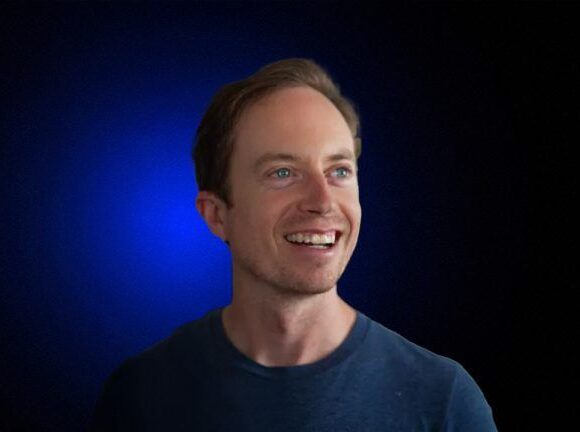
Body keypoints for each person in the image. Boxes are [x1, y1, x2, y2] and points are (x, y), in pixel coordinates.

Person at [88, 58, 498, 431]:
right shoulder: (140, 396)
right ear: (216, 215)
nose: (322, 201)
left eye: (339, 171)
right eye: (282, 172)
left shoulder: (442, 401)